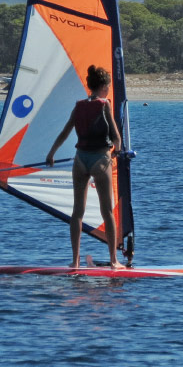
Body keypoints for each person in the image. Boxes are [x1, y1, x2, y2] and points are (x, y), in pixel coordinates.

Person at [46, 65, 129, 269]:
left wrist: (52, 153)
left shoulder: (79, 105)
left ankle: (75, 261)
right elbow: (116, 138)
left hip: (80, 160)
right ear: (103, 86)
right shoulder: (104, 105)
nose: (109, 89)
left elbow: (65, 132)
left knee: (77, 213)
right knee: (107, 212)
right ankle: (113, 261)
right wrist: (117, 151)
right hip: (100, 160)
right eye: (108, 86)